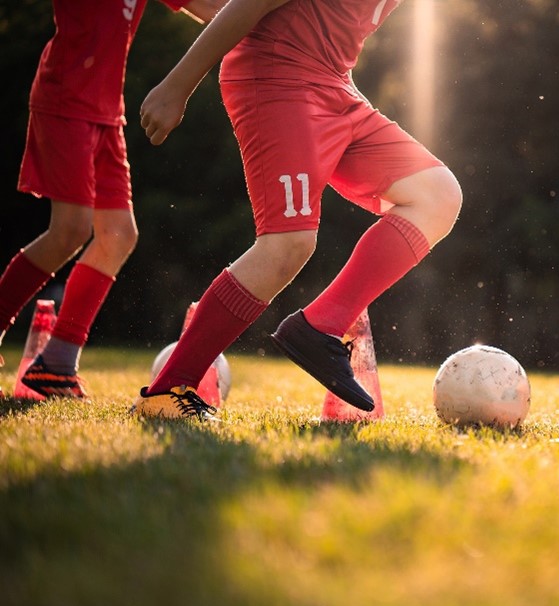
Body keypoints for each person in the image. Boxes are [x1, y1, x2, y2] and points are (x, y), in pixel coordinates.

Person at [131, 0, 462, 421]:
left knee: (437, 194)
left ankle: (321, 326)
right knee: (287, 243)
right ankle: (165, 393)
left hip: (334, 85)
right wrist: (176, 86)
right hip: (277, 78)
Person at [0, 0, 226, 399]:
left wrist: (268, 15)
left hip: (107, 113)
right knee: (69, 229)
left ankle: (57, 365)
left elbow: (210, 7)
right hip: (65, 101)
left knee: (118, 234)